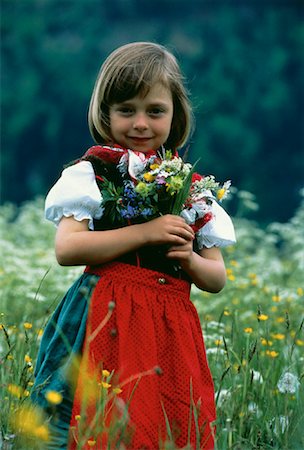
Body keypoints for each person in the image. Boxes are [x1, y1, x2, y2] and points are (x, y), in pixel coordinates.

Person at [32, 42, 236, 450]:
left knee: (162, 430)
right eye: (126, 110)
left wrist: (191, 261)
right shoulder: (93, 173)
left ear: (175, 113)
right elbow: (68, 249)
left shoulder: (195, 191)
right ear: (106, 113)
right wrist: (147, 232)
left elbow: (217, 278)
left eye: (155, 111)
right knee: (91, 423)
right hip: (103, 317)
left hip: (167, 331)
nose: (140, 123)